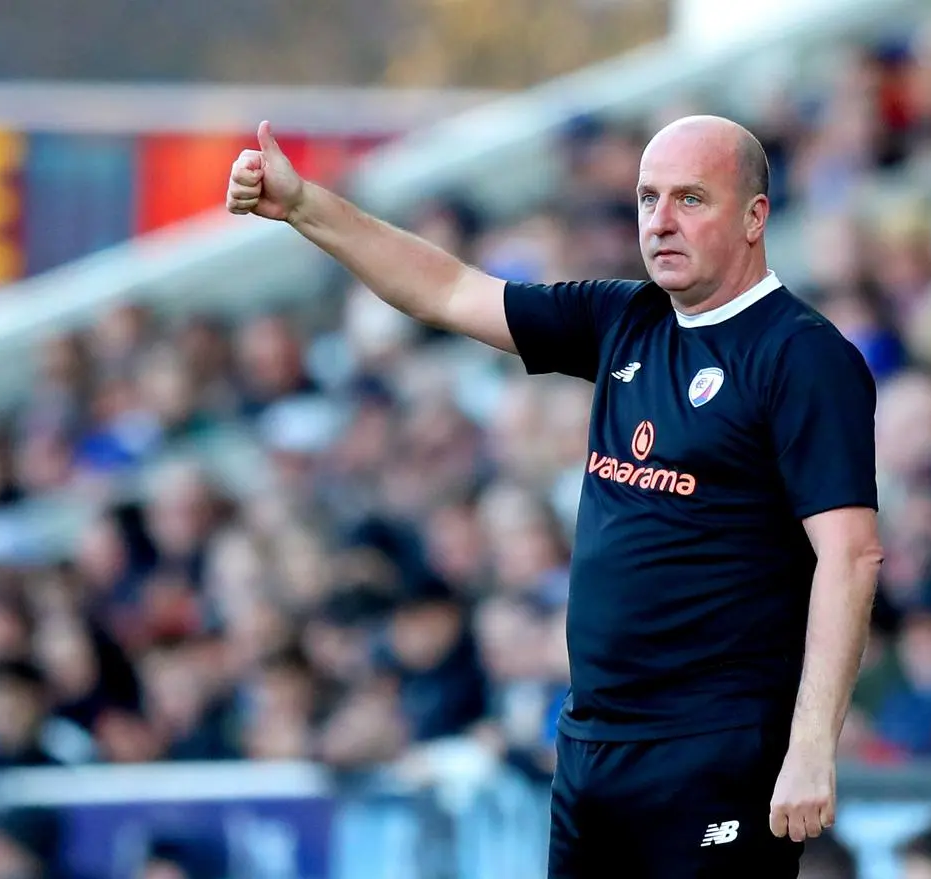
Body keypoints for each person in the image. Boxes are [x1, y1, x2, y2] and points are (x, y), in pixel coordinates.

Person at [225, 113, 884, 878]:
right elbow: (445, 289)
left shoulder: (802, 356)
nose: (660, 221)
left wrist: (810, 747)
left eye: (691, 199)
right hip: (594, 747)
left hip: (716, 748)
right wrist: (307, 207)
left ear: (754, 216)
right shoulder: (625, 319)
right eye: (647, 198)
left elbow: (851, 553)